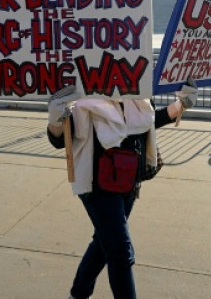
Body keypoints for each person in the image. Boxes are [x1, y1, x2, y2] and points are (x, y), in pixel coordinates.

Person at [46, 82, 198, 299]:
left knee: (103, 243)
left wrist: (181, 104)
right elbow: (60, 139)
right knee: (120, 252)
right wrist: (54, 119)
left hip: (128, 181)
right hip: (95, 186)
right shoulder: (84, 93)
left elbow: (151, 121)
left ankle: (78, 294)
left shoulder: (135, 91)